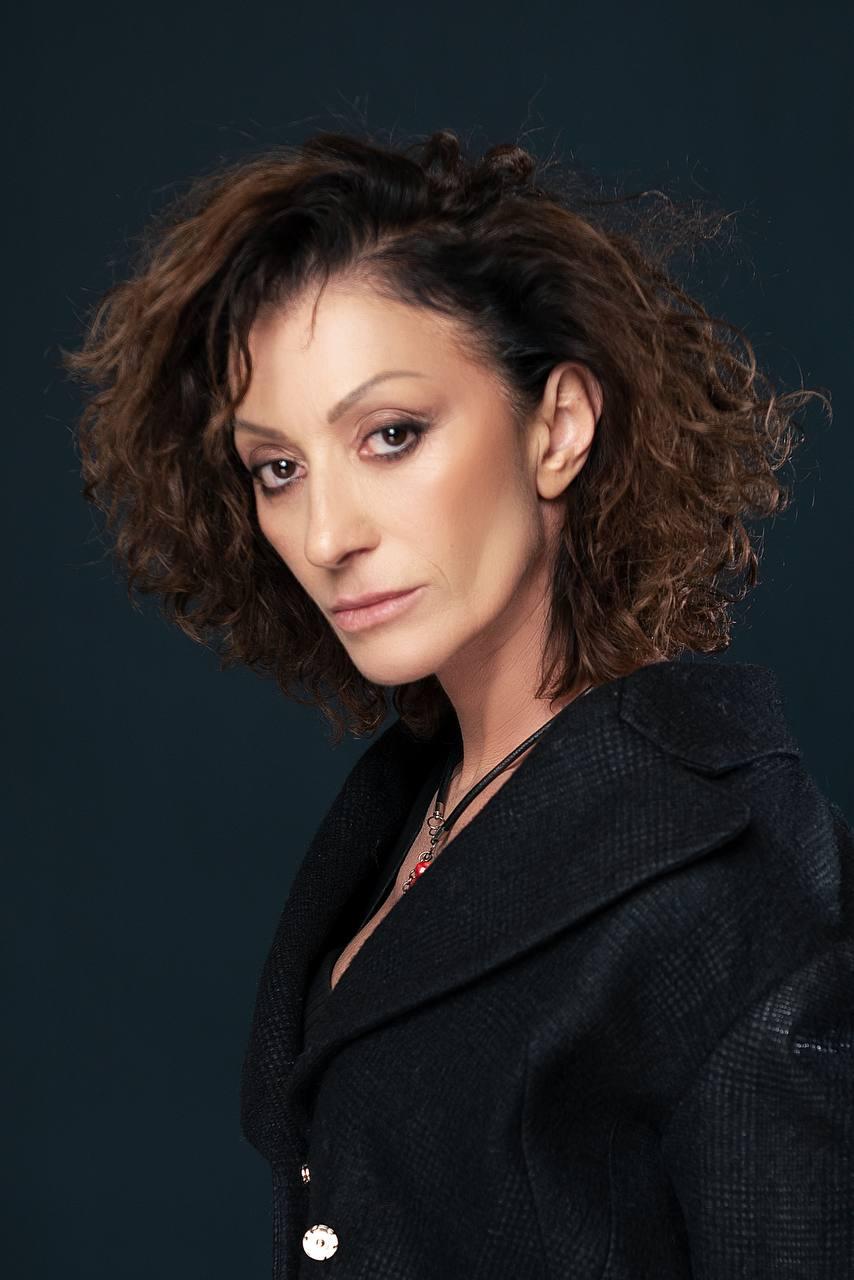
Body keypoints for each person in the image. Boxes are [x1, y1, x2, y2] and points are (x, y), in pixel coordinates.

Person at [63, 127, 853, 1277]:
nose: (325, 534)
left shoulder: (736, 886)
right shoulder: (409, 803)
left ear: (556, 426)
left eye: (390, 435)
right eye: (278, 467)